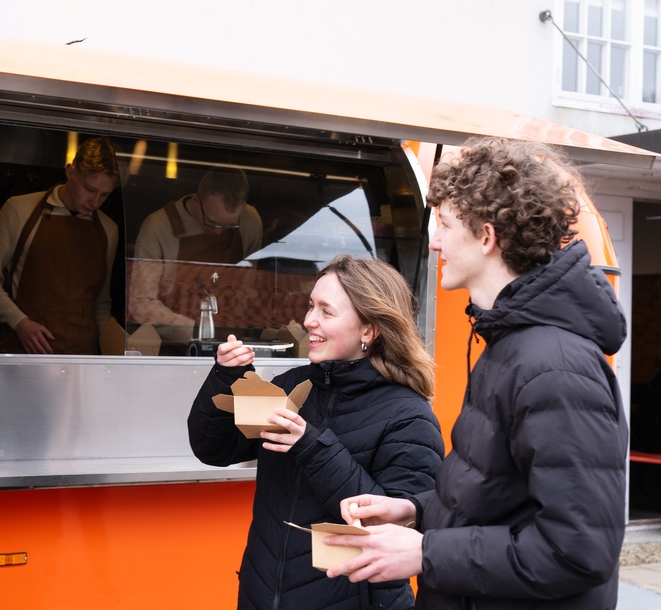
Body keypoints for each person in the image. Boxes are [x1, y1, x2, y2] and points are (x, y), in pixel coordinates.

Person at [327, 137, 629, 610]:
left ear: (487, 237)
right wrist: (416, 511)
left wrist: (427, 552)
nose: (434, 241)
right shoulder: (512, 344)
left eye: (445, 224)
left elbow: (578, 552)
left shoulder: (554, 366)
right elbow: (498, 497)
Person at [188, 254, 444, 609]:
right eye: (311, 306)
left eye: (326, 311)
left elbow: (394, 531)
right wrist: (224, 377)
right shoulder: (290, 386)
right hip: (262, 597)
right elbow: (213, 449)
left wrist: (312, 447)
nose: (308, 321)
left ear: (368, 330)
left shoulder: (409, 416)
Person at [0, 136, 122, 354]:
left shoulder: (108, 229)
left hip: (82, 359)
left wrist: (111, 353)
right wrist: (19, 321)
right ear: (70, 172)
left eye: (105, 195)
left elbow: (100, 302)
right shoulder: (19, 210)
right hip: (27, 353)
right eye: (90, 189)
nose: (96, 202)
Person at [129, 167, 262, 344]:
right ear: (195, 200)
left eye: (229, 226)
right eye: (212, 222)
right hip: (173, 346)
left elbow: (245, 292)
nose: (218, 232)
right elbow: (141, 303)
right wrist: (194, 330)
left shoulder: (249, 222)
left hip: (230, 342)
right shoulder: (158, 227)